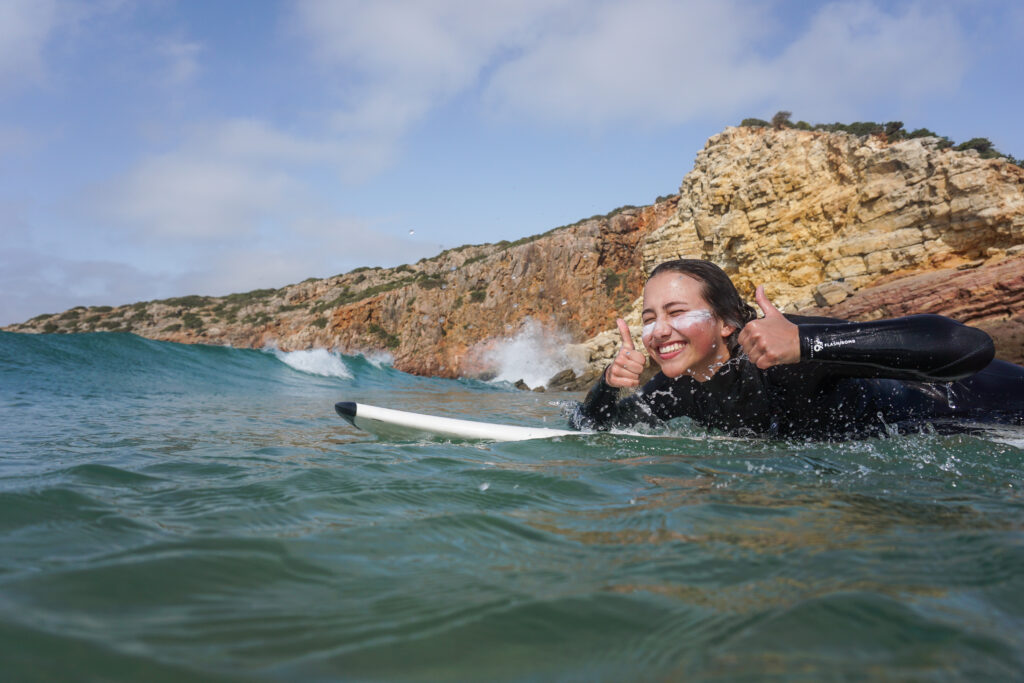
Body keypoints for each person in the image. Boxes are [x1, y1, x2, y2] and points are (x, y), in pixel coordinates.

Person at [569, 259, 1024, 439]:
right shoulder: (679, 390)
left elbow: (967, 346)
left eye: (676, 312)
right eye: (649, 319)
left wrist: (807, 344)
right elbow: (590, 428)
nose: (659, 331)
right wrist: (608, 386)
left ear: (728, 323)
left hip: (993, 403)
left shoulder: (786, 348)